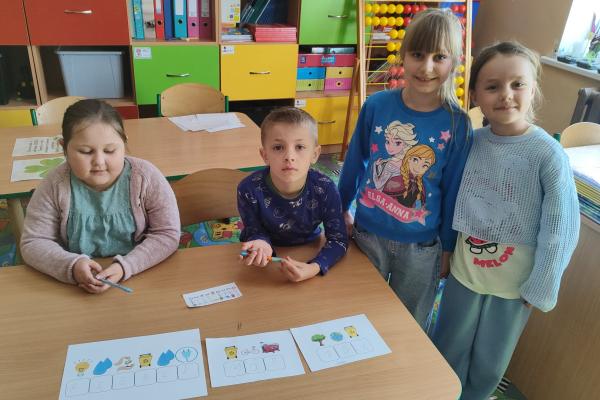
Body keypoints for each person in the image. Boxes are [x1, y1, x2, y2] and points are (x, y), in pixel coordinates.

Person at [432, 41, 580, 400]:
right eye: (492, 86)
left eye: (518, 84)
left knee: (490, 361)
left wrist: (542, 284)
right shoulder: (470, 142)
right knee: (447, 345)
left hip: (515, 286)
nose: (506, 95)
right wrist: (445, 252)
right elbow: (449, 201)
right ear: (475, 95)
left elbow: (560, 228)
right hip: (465, 273)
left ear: (533, 89)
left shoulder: (547, 154)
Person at [337, 8, 472, 331]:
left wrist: (447, 247)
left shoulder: (458, 123)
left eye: (439, 57)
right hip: (368, 235)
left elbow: (454, 190)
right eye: (418, 54)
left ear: (454, 62)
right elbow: (355, 162)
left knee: (409, 326)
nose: (426, 67)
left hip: (422, 248)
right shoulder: (376, 106)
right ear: (403, 55)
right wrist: (339, 210)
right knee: (356, 316)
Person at [21, 99, 180, 293]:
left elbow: (167, 234)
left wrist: (126, 266)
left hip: (141, 273)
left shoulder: (146, 177)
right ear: (64, 148)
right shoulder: (54, 185)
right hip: (74, 286)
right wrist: (72, 265)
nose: (99, 161)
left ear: (124, 143)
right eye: (85, 151)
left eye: (110, 150)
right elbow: (33, 242)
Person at [237, 107, 348, 282]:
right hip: (267, 257)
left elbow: (339, 240)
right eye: (278, 147)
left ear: (315, 154)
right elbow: (254, 230)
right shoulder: (248, 189)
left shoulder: (325, 188)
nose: (289, 156)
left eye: (300, 147)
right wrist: (260, 243)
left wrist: (315, 267)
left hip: (310, 248)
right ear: (264, 155)